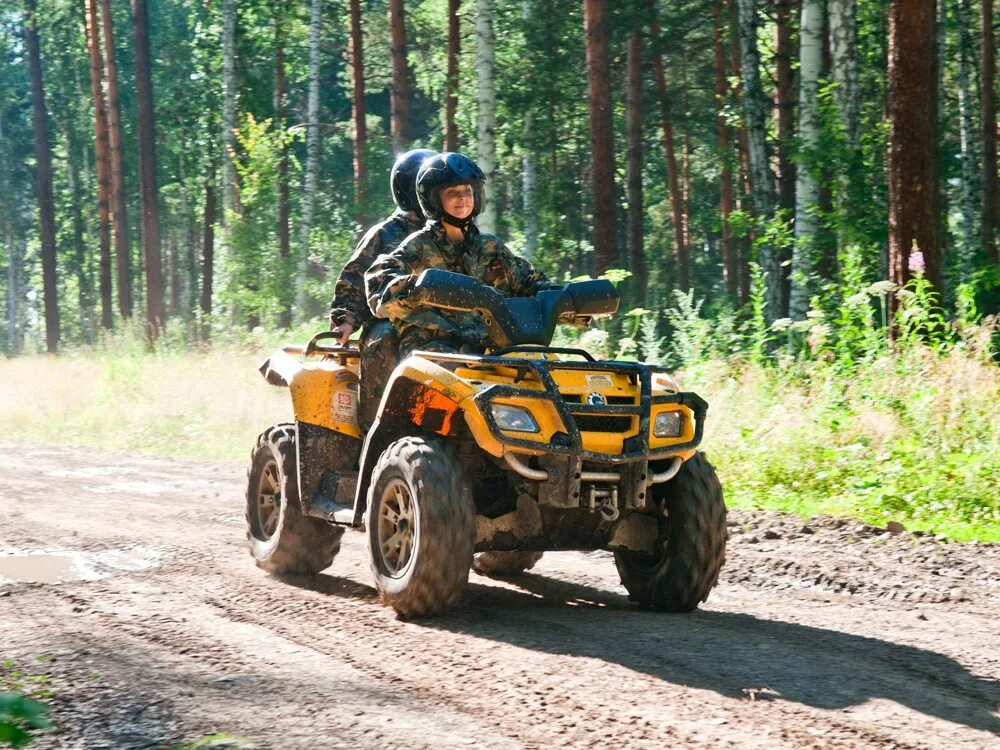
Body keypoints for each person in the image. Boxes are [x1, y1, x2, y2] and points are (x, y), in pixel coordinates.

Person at [365, 152, 553, 357]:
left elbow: (530, 282)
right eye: (452, 192)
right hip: (433, 347)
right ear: (434, 200)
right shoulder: (419, 244)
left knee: (547, 371)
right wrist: (418, 289)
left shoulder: (490, 246)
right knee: (450, 376)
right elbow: (379, 280)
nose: (462, 197)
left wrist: (563, 298)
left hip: (491, 346)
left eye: (467, 190)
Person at [328, 148, 436, 428]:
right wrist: (346, 320)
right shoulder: (384, 234)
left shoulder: (449, 232)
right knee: (384, 340)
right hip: (390, 321)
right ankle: (378, 428)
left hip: (442, 323)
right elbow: (355, 278)